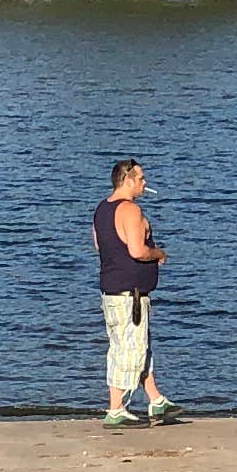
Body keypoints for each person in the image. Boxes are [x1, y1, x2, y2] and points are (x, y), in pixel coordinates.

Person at [94, 156, 174, 426]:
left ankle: (156, 400)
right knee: (127, 348)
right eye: (140, 178)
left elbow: (99, 245)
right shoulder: (130, 211)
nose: (144, 183)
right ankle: (116, 408)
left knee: (139, 346)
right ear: (127, 180)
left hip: (112, 290)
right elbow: (137, 251)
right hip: (130, 293)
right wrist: (158, 253)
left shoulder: (101, 210)